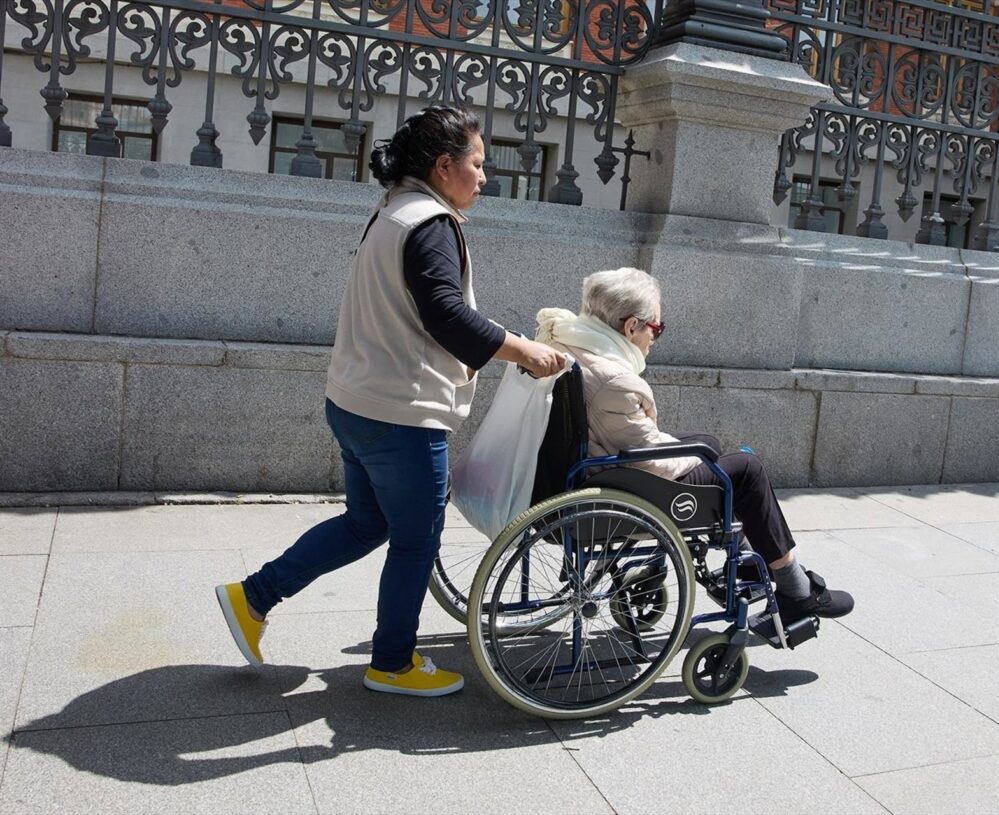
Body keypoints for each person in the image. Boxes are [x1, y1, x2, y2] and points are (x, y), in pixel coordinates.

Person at [215, 106, 565, 697]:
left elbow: (426, 310)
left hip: (356, 402)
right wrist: (524, 351)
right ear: (444, 164)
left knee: (366, 522)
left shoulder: (394, 211)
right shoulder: (432, 222)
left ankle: (253, 597)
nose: (484, 178)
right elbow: (446, 317)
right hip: (401, 414)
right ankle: (393, 664)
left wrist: (505, 336)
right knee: (415, 540)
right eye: (477, 165)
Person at [534, 267, 853, 622]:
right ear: (631, 327)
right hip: (612, 484)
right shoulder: (616, 381)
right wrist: (698, 459)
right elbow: (652, 462)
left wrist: (699, 451)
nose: (655, 337)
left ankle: (750, 560)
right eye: (656, 328)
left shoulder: (566, 343)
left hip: (581, 468)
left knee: (709, 443)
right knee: (746, 470)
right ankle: (796, 589)